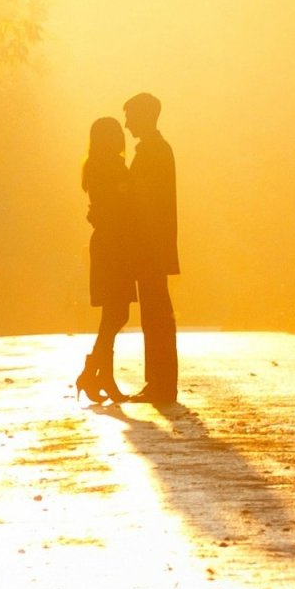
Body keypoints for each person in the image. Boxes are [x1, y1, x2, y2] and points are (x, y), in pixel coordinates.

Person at [75, 116, 135, 404]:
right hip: (114, 244)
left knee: (114, 312)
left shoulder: (95, 165)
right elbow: (120, 204)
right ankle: (95, 373)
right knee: (116, 311)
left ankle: (96, 373)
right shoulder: (108, 166)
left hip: (110, 242)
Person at [123, 92, 179, 405]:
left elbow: (139, 201)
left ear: (145, 116)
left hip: (149, 246)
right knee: (157, 314)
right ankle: (159, 382)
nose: (127, 123)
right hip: (154, 246)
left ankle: (161, 384)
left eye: (131, 116)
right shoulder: (157, 150)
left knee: (156, 315)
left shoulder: (152, 152)